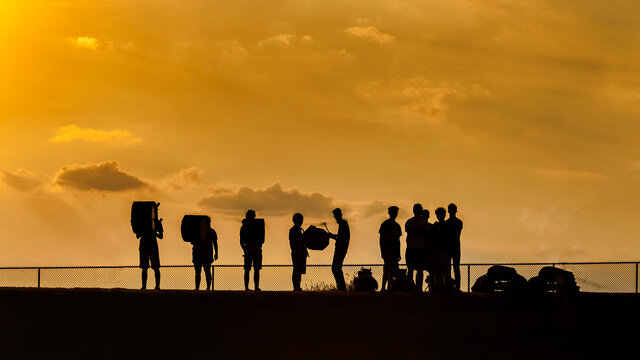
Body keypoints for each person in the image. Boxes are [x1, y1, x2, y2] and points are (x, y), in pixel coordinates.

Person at [404, 204, 430, 293]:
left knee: (419, 270)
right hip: (412, 249)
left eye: (418, 209)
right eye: (416, 209)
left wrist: (416, 232)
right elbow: (411, 232)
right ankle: (410, 287)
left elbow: (425, 234)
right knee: (411, 269)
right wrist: (419, 232)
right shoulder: (410, 221)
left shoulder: (422, 222)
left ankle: (418, 288)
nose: (417, 211)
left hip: (420, 249)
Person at [379, 206, 402, 291]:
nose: (394, 214)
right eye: (393, 212)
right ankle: (384, 287)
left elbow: (398, 241)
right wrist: (382, 251)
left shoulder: (397, 225)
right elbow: (381, 239)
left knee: (391, 270)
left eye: (395, 212)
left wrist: (399, 252)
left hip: (394, 251)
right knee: (387, 269)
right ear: (389, 213)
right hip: (387, 250)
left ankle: (389, 287)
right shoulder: (385, 224)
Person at [240, 210, 264, 291]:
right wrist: (245, 250)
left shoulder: (247, 227)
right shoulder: (244, 227)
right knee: (250, 269)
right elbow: (241, 241)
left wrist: (245, 250)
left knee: (254, 269)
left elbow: (262, 239)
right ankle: (249, 287)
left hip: (254, 250)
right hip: (252, 250)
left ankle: (254, 287)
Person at [192, 219, 219, 290]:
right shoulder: (211, 231)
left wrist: (216, 253)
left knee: (201, 271)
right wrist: (216, 253)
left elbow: (192, 242)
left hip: (201, 253)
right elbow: (215, 243)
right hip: (205, 253)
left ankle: (200, 288)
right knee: (205, 271)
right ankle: (206, 288)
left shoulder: (197, 231)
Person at [328, 208, 350, 291]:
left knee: (335, 268)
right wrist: (333, 235)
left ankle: (341, 287)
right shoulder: (343, 224)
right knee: (336, 268)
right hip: (341, 248)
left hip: (341, 249)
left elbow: (342, 238)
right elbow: (341, 236)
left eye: (335, 215)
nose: (335, 217)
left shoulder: (343, 224)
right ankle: (341, 287)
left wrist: (332, 236)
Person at [430, 207, 451, 291]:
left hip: (442, 251)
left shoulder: (436, 226)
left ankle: (443, 288)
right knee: (442, 271)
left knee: (442, 271)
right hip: (441, 251)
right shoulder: (445, 226)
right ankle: (444, 288)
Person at [139, 217, 163, 290]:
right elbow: (161, 236)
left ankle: (147, 286)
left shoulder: (156, 222)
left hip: (146, 246)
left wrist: (154, 232)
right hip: (150, 246)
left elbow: (137, 235)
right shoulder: (157, 222)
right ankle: (153, 286)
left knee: (149, 268)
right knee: (148, 267)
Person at [446, 203, 464, 291]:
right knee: (454, 268)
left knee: (453, 268)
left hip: (452, 247)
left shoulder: (448, 223)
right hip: (454, 247)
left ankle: (454, 287)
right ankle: (455, 287)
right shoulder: (458, 222)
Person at [289, 213, 308, 291]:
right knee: (297, 270)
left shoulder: (297, 230)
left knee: (298, 270)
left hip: (299, 252)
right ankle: (296, 287)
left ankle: (297, 286)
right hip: (297, 252)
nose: (301, 221)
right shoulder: (294, 230)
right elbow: (294, 243)